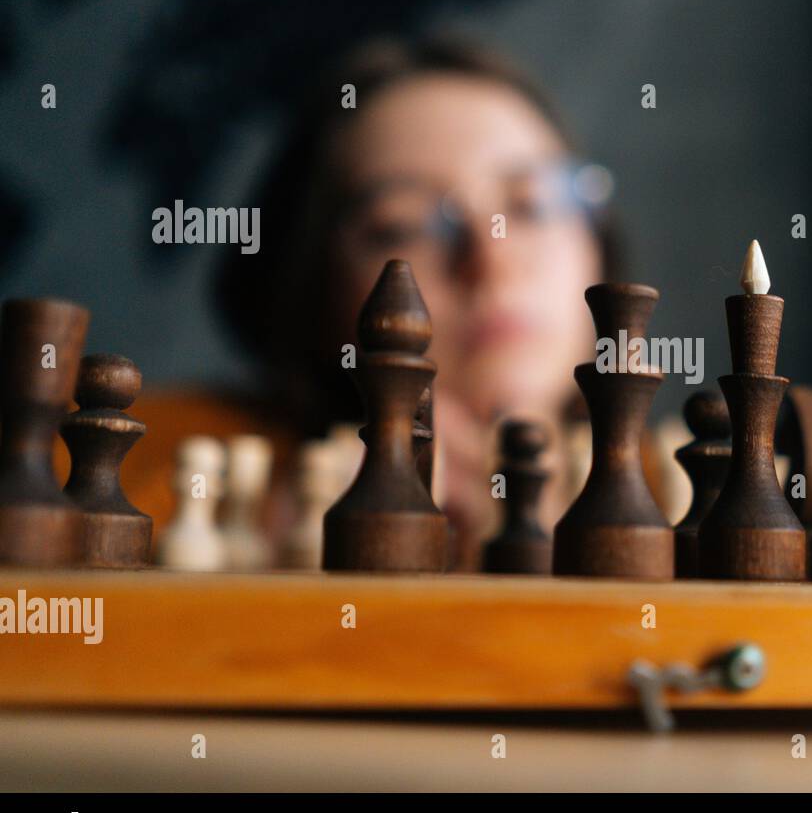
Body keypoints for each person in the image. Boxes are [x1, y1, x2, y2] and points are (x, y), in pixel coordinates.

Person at [128, 37, 638, 567]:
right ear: (311, 288)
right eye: (405, 225)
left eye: (534, 204)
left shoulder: (697, 490)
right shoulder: (158, 465)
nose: (492, 260)